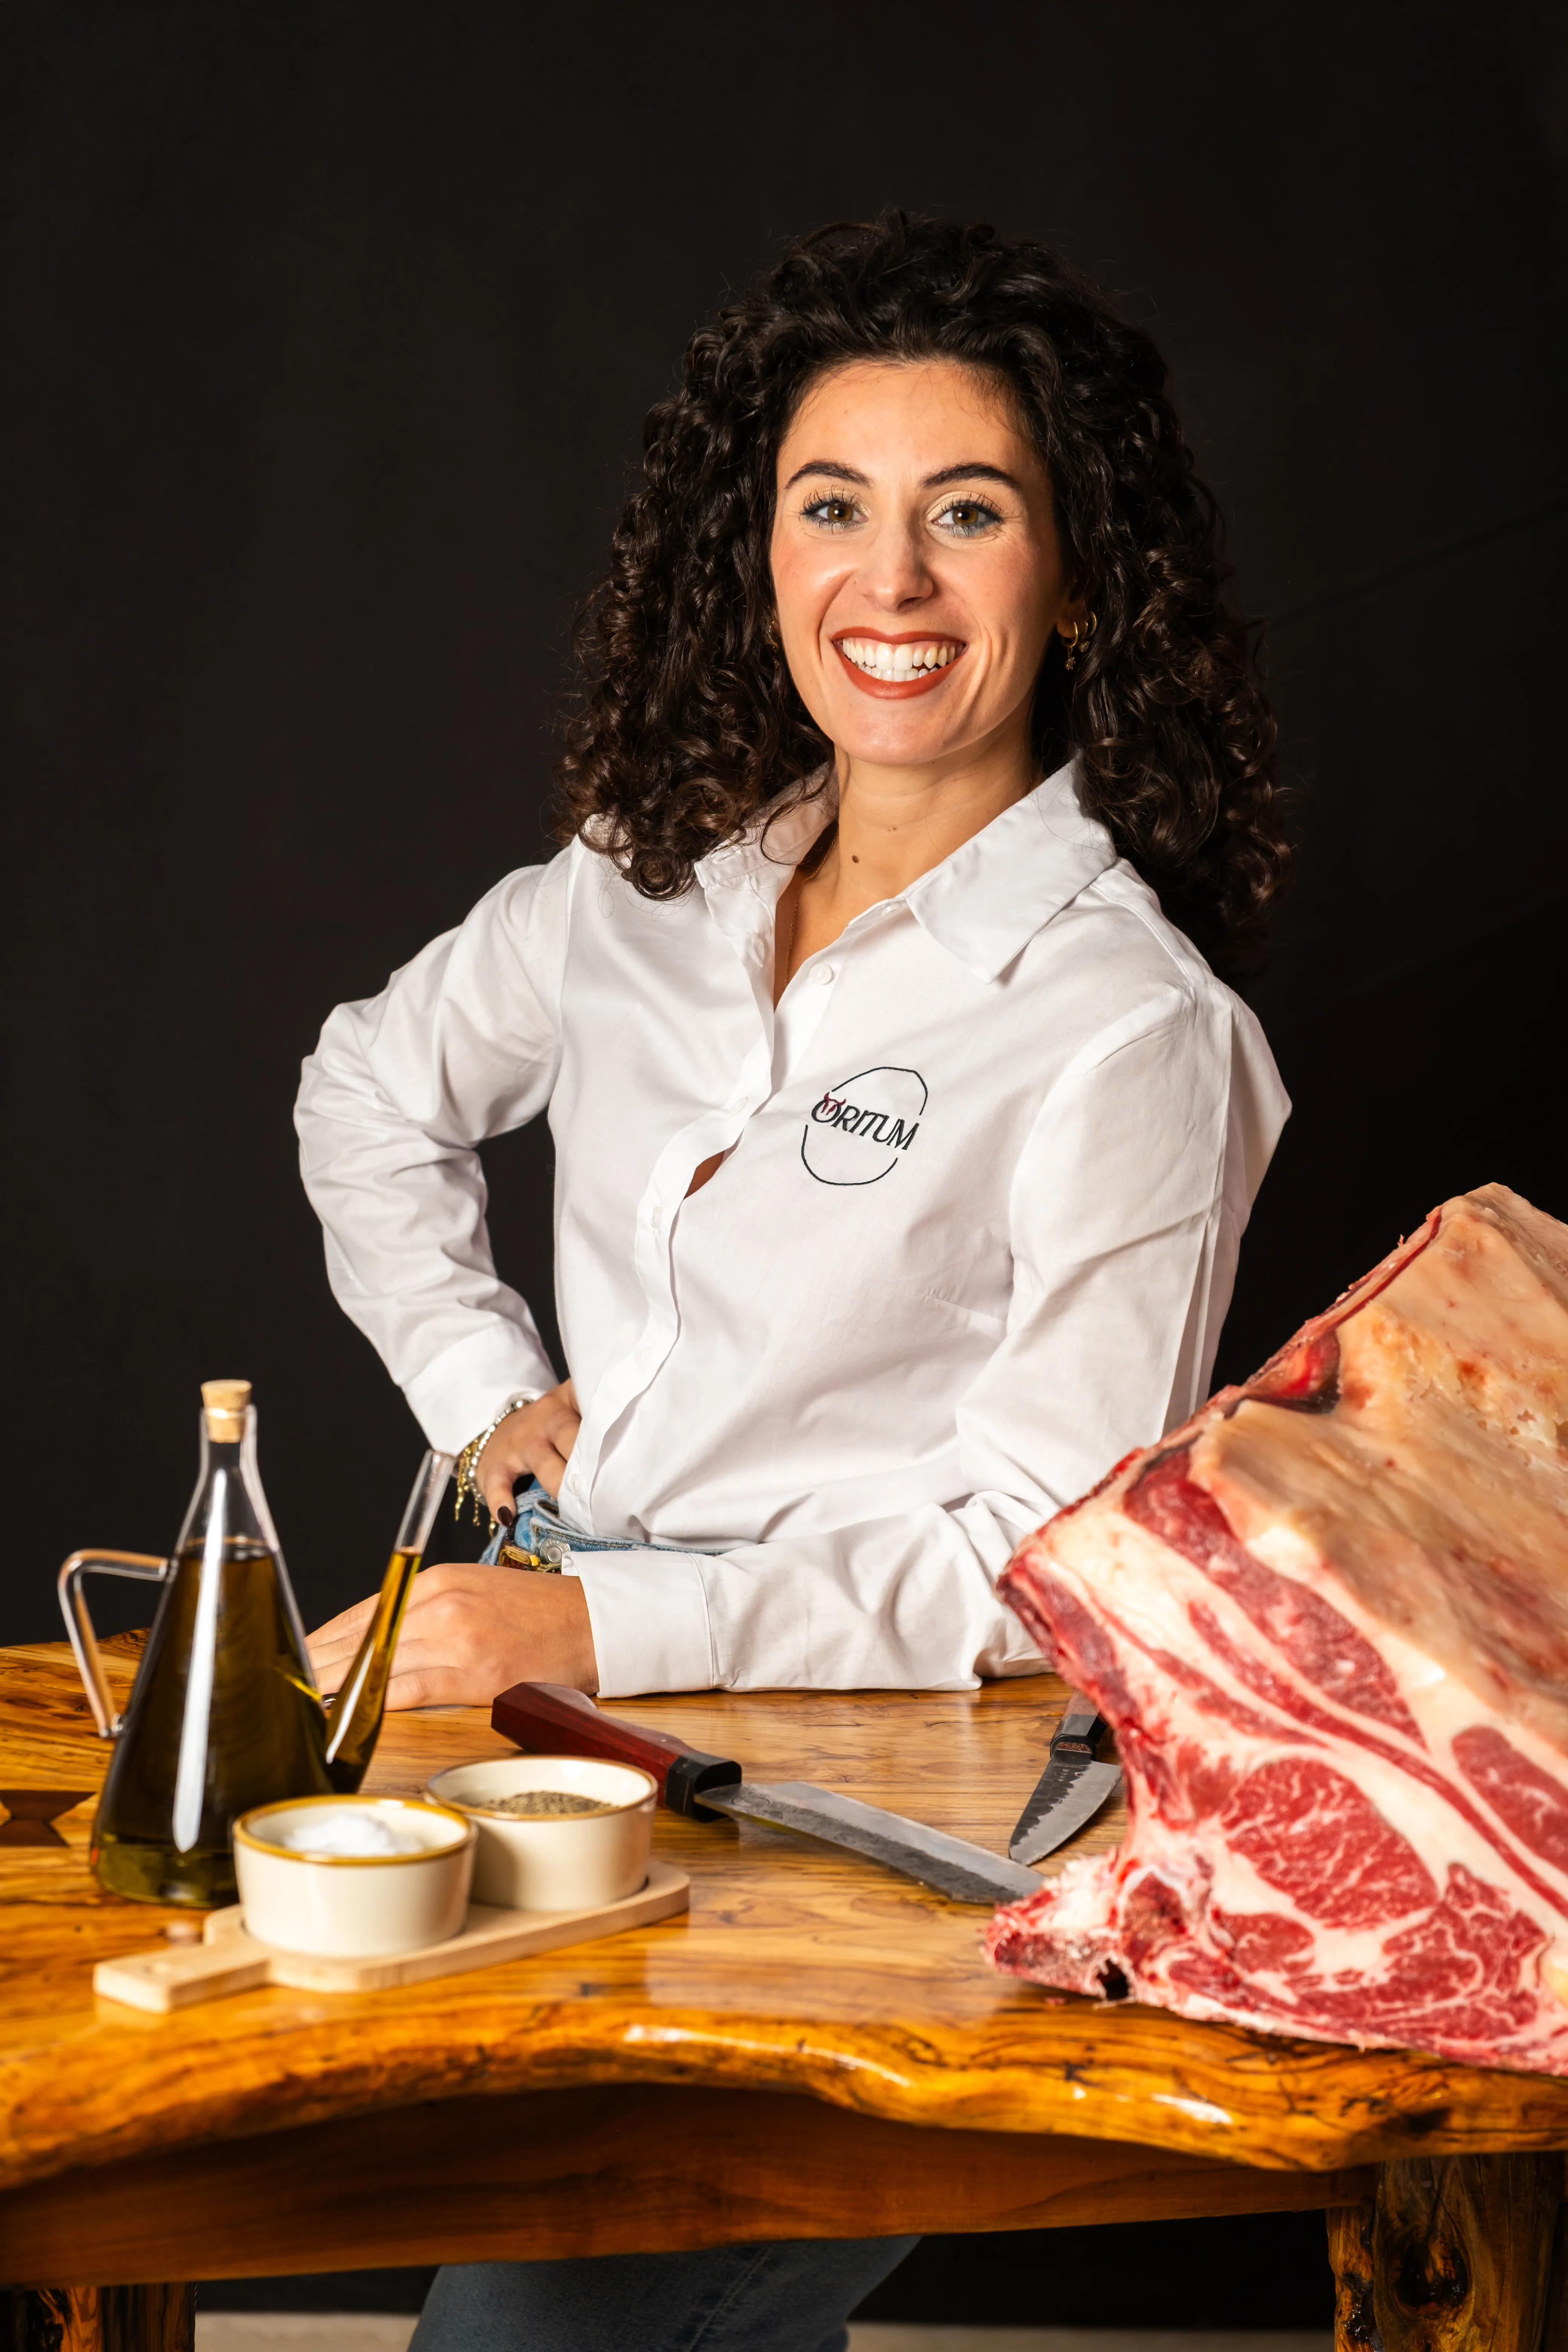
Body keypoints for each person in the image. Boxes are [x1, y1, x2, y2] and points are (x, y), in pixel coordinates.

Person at [295, 213, 1292, 2351]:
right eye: (832, 508)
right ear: (756, 554)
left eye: (971, 515)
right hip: (564, 1728)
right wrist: (487, 1395)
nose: (892, 583)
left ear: (1084, 573)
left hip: (879, 1805)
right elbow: (371, 1092)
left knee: (536, 2334)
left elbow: (1041, 1563)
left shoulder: (1133, 1028)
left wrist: (593, 1610)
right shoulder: (645, 891)